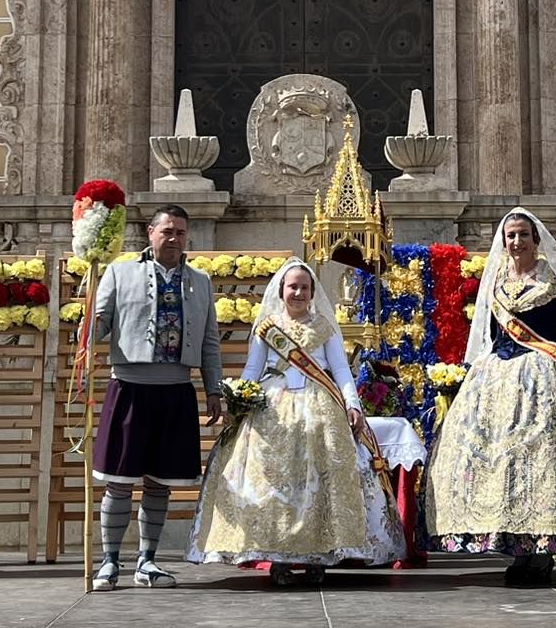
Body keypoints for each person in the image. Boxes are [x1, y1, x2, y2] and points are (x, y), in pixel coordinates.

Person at [425, 207, 556, 585]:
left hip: (546, 377)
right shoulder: (496, 283)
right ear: (504, 242)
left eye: (522, 234)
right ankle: (517, 549)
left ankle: (543, 549)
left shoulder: (553, 281)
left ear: (536, 240)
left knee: (545, 461)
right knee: (502, 465)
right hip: (496, 378)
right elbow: (489, 337)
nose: (516, 241)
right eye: (511, 235)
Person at [188, 258, 404, 582]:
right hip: (273, 409)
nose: (299, 293)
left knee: (324, 479)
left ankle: (319, 556)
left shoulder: (324, 327)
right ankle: (280, 558)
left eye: (305, 287)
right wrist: (239, 400)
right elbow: (253, 369)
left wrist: (353, 404)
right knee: (274, 483)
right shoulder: (267, 328)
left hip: (321, 407)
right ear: (281, 290)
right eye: (293, 287)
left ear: (313, 292)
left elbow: (341, 369)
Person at [90, 204, 224, 590]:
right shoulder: (119, 272)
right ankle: (109, 562)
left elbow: (209, 341)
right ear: (150, 232)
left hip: (176, 390)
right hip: (129, 387)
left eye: (180, 232)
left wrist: (213, 388)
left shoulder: (200, 281)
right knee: (118, 480)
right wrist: (88, 325)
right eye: (167, 231)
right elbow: (100, 324)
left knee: (159, 481)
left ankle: (147, 561)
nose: (174, 238)